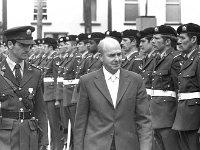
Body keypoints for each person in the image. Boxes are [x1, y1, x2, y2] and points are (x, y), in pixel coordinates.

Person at [74, 37, 152, 150]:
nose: (117, 59)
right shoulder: (87, 81)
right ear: (100, 57)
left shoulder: (136, 80)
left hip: (128, 145)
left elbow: (144, 120)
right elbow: (80, 122)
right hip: (96, 145)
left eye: (119, 54)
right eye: (111, 55)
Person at [0, 26, 48, 150]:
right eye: (22, 45)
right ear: (10, 44)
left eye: (29, 46)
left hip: (29, 135)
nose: (27, 49)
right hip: (4, 135)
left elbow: (40, 108)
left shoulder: (35, 73)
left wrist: (44, 139)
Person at [150, 25, 183, 150]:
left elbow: (179, 89)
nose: (152, 41)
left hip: (169, 116)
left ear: (168, 41)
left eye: (156, 38)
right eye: (152, 38)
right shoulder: (158, 58)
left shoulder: (174, 59)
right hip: (157, 114)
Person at [172, 23, 200, 150]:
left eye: (182, 38)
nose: (178, 42)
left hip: (195, 119)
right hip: (184, 117)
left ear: (193, 39)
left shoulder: (198, 59)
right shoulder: (188, 59)